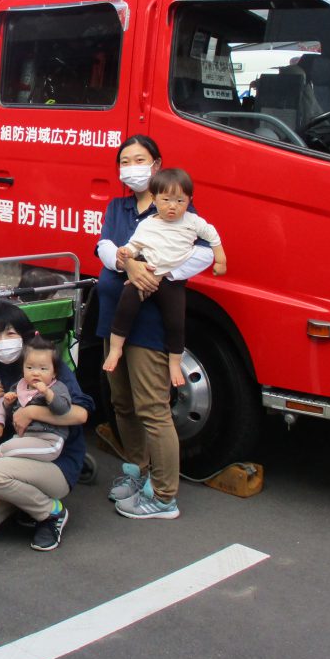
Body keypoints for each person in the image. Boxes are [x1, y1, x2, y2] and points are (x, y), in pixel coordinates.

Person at [94, 135, 213, 520]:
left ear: (157, 164)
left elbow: (204, 253)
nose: (132, 167)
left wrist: (159, 273)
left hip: (149, 327)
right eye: (125, 161)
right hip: (113, 318)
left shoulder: (173, 208)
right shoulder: (118, 206)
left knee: (153, 409)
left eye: (139, 159)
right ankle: (136, 471)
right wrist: (128, 265)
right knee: (122, 404)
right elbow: (105, 246)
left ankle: (164, 496)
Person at [0, 302, 92, 552]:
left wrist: (33, 411)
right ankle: (21, 500)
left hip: (55, 463)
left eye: (10, 333)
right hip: (14, 464)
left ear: (26, 336)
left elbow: (81, 414)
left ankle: (51, 513)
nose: (3, 341)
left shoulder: (46, 367)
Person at [102, 168, 226, 387]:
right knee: (125, 306)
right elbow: (134, 244)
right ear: (154, 198)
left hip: (171, 281)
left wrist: (220, 259)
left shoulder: (192, 221)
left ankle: (175, 362)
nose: (172, 206)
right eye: (166, 200)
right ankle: (115, 349)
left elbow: (212, 236)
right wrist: (126, 252)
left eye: (180, 200)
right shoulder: (148, 223)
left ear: (190, 200)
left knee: (176, 321)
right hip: (145, 273)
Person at [0, 333, 73, 465]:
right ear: (23, 369)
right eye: (29, 367)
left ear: (54, 372)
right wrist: (7, 403)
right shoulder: (18, 386)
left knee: (7, 448)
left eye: (43, 368)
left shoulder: (56, 387)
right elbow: (13, 414)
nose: (35, 372)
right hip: (25, 437)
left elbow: (63, 409)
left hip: (49, 440)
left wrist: (47, 393)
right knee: (10, 445)